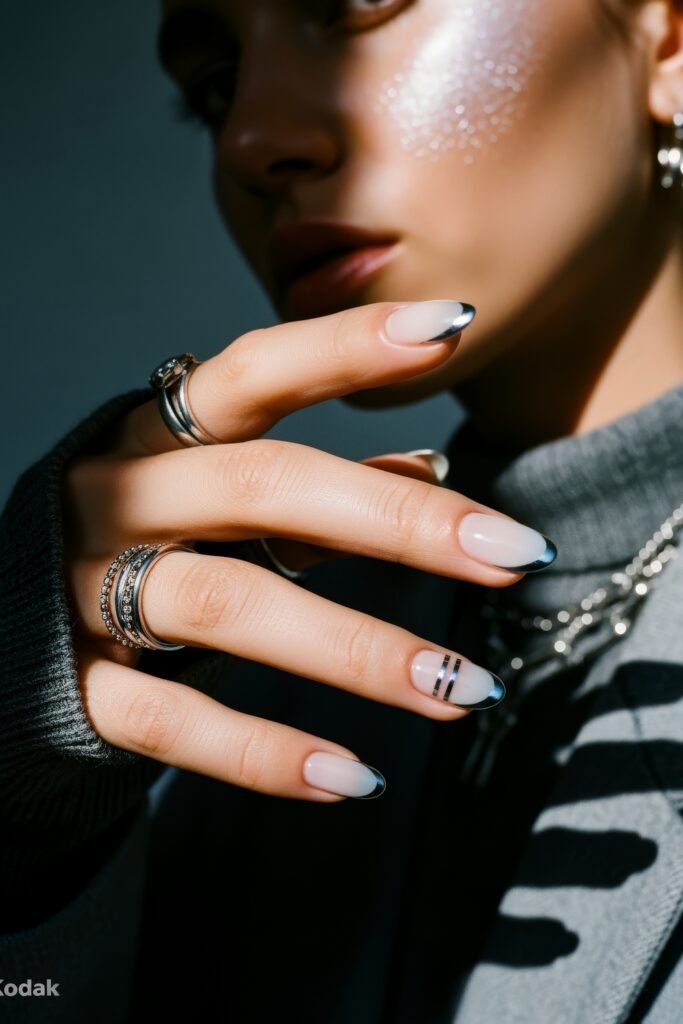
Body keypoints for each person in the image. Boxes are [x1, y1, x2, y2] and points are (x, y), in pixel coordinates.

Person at [2, 0, 683, 1020]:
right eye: (214, 88)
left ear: (666, 40)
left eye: (353, 8)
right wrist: (26, 832)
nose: (252, 140)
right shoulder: (276, 704)